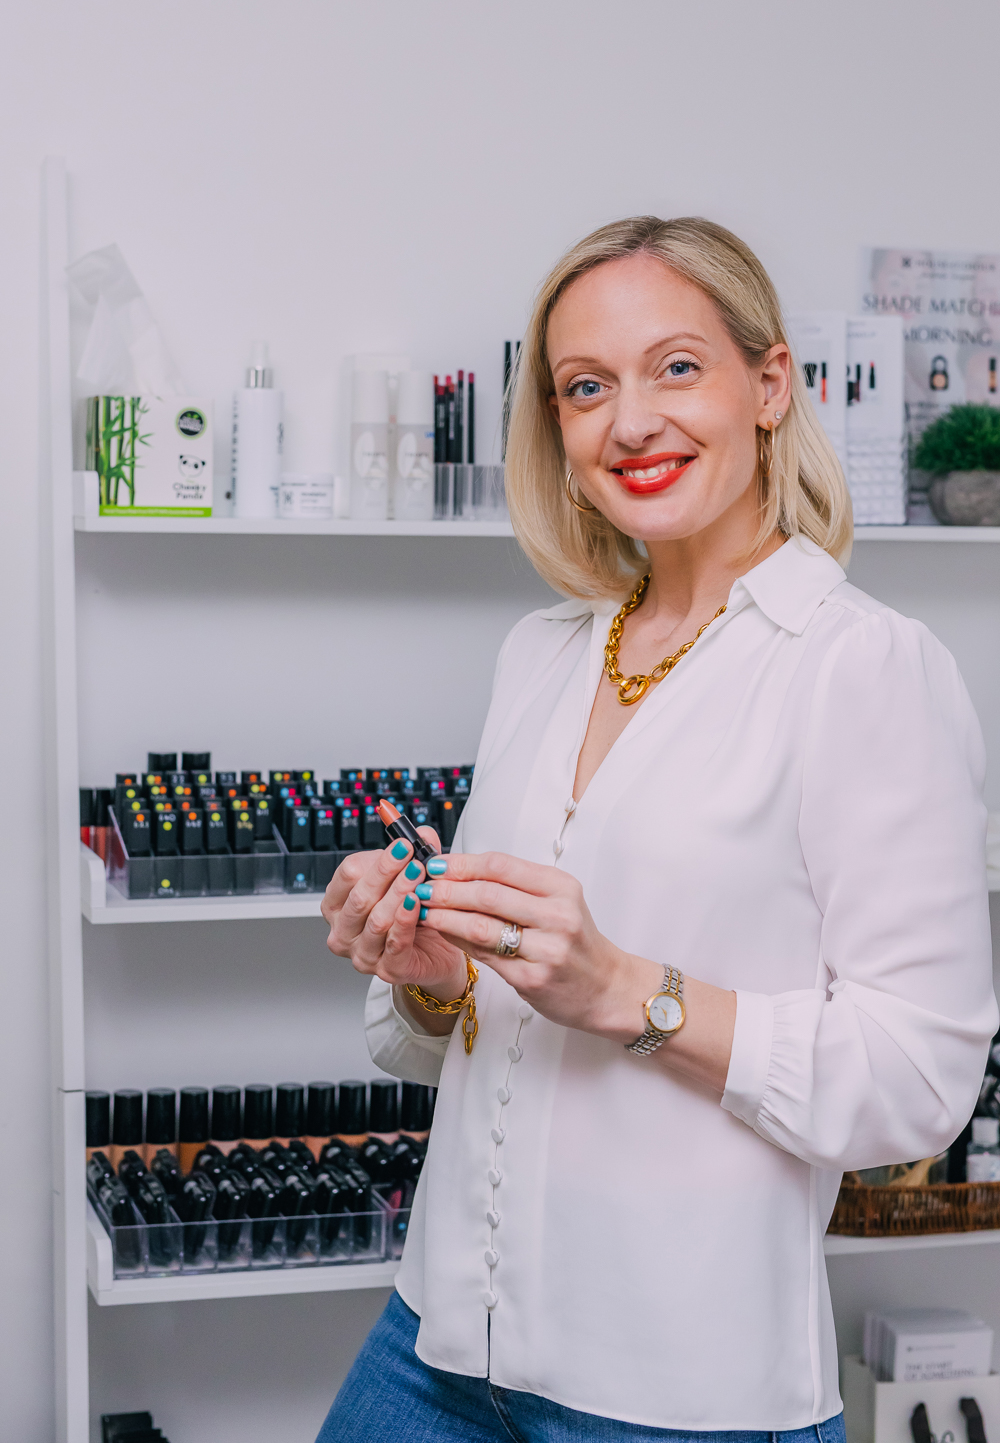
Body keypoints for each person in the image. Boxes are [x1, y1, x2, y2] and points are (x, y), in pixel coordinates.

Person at [317, 216, 996, 1443]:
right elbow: (475, 1040)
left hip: (676, 1393)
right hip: (438, 1342)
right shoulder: (543, 655)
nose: (630, 421)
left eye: (675, 366)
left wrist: (631, 989)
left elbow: (917, 1082)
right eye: (586, 387)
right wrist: (432, 981)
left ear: (769, 383)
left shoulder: (864, 669)